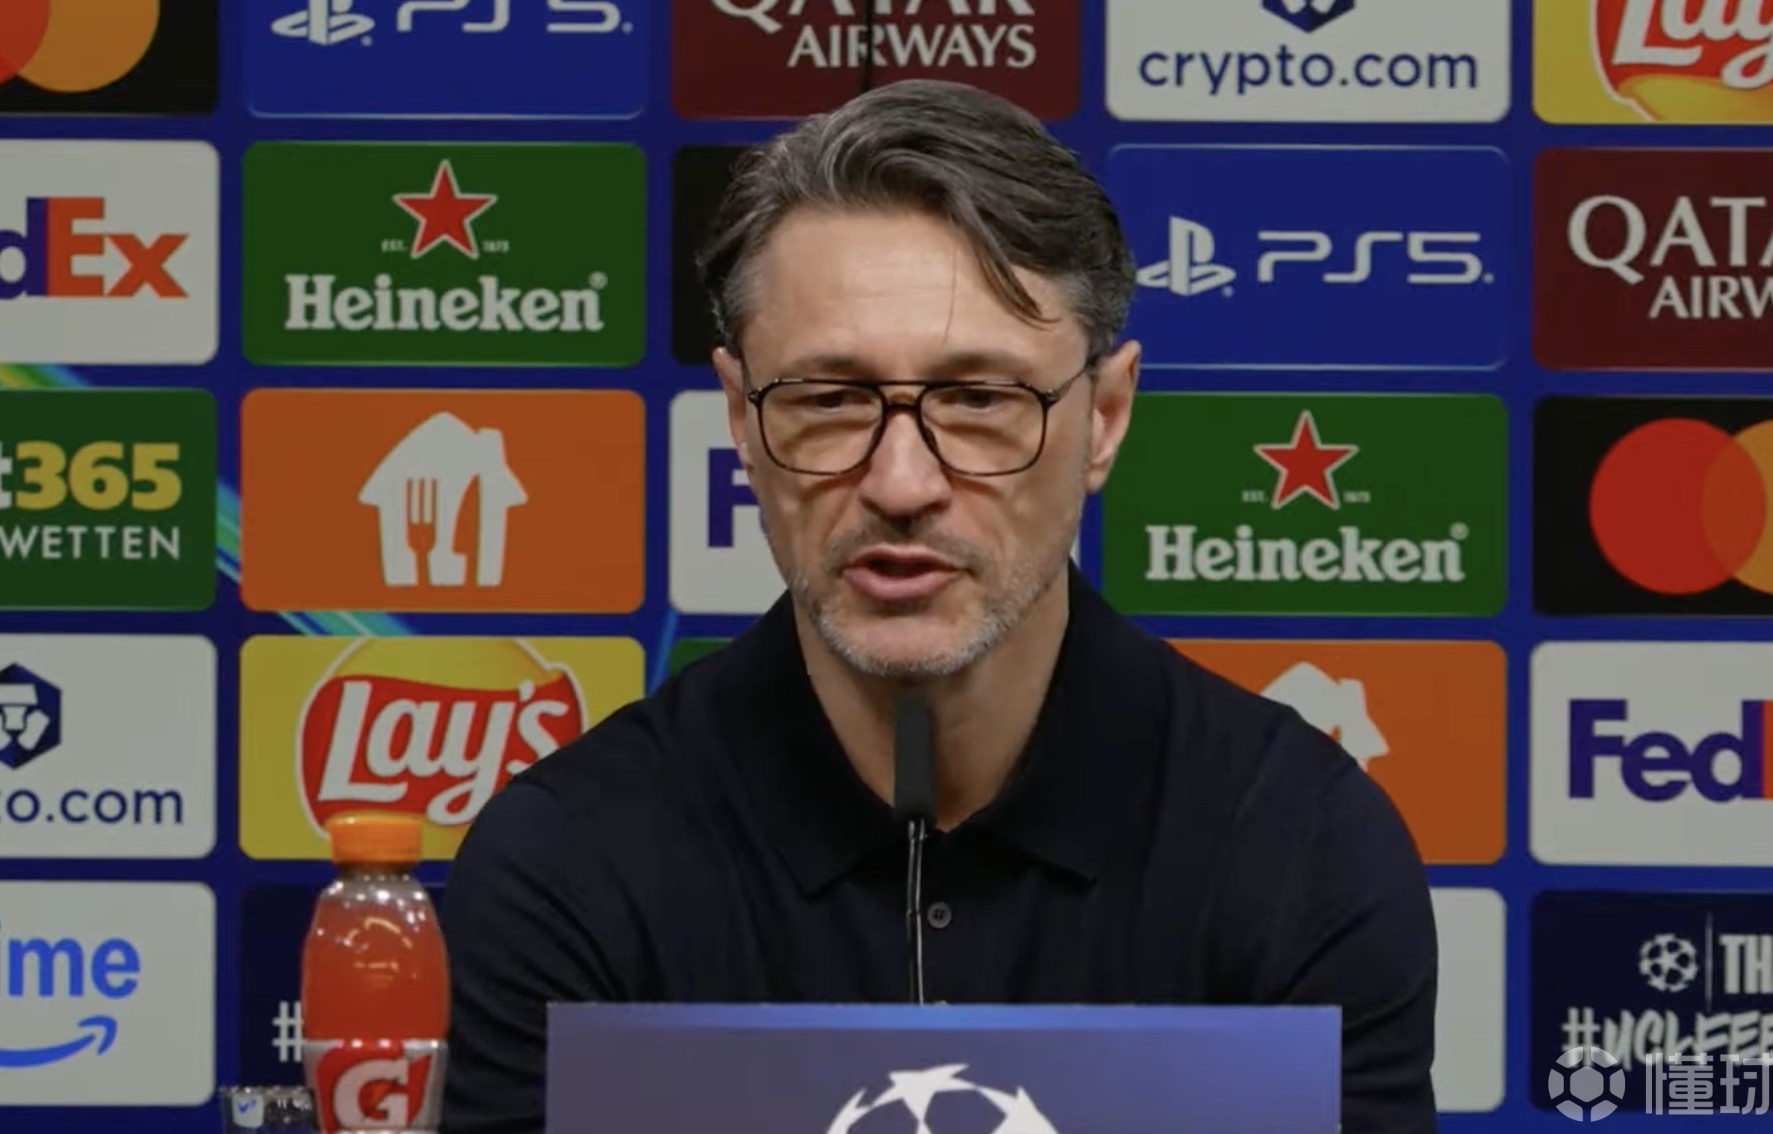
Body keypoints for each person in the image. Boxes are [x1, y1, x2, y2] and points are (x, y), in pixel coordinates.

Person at [438, 78, 1438, 1133]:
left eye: (979, 399)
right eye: (830, 399)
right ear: (739, 417)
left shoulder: (1301, 847)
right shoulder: (567, 865)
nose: (902, 483)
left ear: (1104, 417)